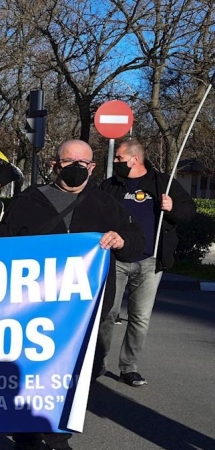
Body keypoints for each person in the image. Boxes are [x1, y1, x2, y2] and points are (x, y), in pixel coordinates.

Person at [0, 139, 144, 450]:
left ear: (92, 167)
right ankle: (28, 433)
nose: (77, 168)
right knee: (30, 371)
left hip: (86, 313)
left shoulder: (107, 205)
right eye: (69, 162)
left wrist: (122, 239)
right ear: (55, 164)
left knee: (75, 372)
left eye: (83, 163)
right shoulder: (26, 202)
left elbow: (136, 239)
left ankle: (57, 433)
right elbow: (1, 249)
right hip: (32, 309)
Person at [98, 139, 195, 387]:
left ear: (135, 159)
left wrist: (172, 207)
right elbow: (94, 214)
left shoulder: (163, 183)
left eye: (119, 158)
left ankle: (129, 368)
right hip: (115, 260)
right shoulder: (110, 186)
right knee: (107, 314)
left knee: (140, 317)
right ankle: (97, 363)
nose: (115, 162)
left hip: (150, 261)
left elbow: (189, 211)